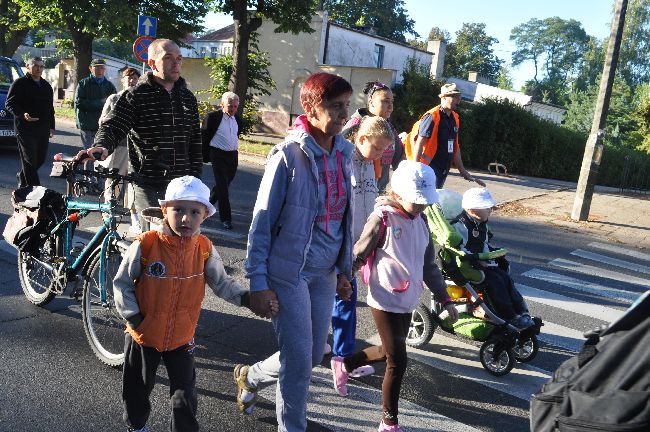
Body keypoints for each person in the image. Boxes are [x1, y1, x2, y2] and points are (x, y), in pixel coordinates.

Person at [233, 72, 355, 431]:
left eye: (346, 106)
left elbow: (345, 218)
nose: (342, 114)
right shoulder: (287, 156)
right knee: (300, 362)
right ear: (310, 107)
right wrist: (258, 282)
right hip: (289, 273)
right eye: (334, 107)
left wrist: (344, 270)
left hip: (325, 272)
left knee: (314, 354)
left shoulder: (344, 153)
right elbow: (261, 222)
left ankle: (252, 377)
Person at [113, 175, 272, 432]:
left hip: (181, 337)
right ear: (165, 210)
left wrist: (247, 299)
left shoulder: (204, 249)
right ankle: (137, 426)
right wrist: (136, 319)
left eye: (194, 212)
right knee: (137, 390)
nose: (186, 218)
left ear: (205, 215)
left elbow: (222, 283)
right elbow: (122, 284)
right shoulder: (147, 244)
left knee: (185, 396)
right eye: (179, 210)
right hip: (143, 335)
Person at [330, 160, 459, 432]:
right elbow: (359, 253)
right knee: (398, 361)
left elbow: (428, 266)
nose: (422, 205)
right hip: (385, 297)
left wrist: (445, 298)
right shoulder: (383, 218)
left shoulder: (421, 221)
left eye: (425, 201)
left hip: (409, 298)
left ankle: (346, 363)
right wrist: (344, 279)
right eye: (417, 201)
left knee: (389, 351)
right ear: (398, 194)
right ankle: (389, 422)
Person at [85, 39, 203, 230]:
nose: (176, 63)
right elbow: (113, 125)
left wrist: (196, 178)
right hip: (149, 182)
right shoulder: (136, 95)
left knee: (183, 244)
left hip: (182, 185)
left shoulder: (187, 98)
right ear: (152, 63)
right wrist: (102, 145)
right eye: (168, 58)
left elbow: (195, 141)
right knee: (156, 240)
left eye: (179, 59)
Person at [331, 116, 394, 379]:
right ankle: (343, 358)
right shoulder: (343, 161)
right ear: (361, 139)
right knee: (345, 298)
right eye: (377, 148)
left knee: (340, 298)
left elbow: (367, 197)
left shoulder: (369, 164)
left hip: (359, 243)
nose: (379, 154)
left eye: (384, 150)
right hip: (341, 243)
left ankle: (333, 347)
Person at [453, 187, 533, 330]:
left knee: (505, 277)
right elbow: (459, 248)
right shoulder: (460, 226)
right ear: (472, 209)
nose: (490, 210)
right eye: (486, 207)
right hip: (469, 265)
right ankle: (508, 315)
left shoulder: (482, 225)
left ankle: (521, 311)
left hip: (483, 263)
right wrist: (476, 259)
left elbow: (484, 244)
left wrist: (490, 258)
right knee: (496, 282)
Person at [405, 83, 485, 189]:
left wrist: (463, 171)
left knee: (435, 198)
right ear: (443, 97)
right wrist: (415, 169)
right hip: (428, 168)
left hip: (443, 168)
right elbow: (420, 142)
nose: (458, 100)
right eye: (454, 97)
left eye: (459, 97)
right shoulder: (432, 116)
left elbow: (455, 147)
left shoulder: (455, 118)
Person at [97, 67, 141, 234]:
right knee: (114, 179)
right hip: (119, 147)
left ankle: (134, 217)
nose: (132, 80)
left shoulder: (140, 100)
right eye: (128, 78)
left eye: (135, 78)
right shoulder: (114, 98)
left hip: (136, 148)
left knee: (134, 183)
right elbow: (103, 122)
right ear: (122, 80)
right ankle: (109, 211)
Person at [342, 81, 403, 191]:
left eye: (392, 102)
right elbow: (339, 157)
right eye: (385, 101)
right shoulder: (355, 125)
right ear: (371, 102)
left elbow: (400, 159)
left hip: (378, 192)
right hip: (354, 192)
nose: (390, 107)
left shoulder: (389, 128)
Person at [5, 56, 55, 187]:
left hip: (43, 129)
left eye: (41, 66)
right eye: (35, 66)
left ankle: (22, 175)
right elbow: (9, 104)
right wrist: (23, 114)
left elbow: (50, 108)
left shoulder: (46, 86)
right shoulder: (20, 83)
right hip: (25, 129)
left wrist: (52, 126)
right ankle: (35, 190)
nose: (39, 69)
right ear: (28, 66)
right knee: (30, 161)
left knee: (40, 159)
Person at [200, 91, 243, 230]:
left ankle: (207, 205)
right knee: (223, 188)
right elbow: (204, 136)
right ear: (222, 104)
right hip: (217, 154)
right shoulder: (213, 117)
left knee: (223, 185)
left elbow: (236, 134)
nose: (233, 109)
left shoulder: (238, 119)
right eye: (230, 106)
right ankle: (226, 219)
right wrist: (204, 155)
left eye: (236, 107)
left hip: (232, 156)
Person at [74, 58, 117, 187]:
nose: (100, 70)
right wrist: (100, 103)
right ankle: (89, 181)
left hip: (103, 126)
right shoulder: (84, 84)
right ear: (91, 69)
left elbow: (115, 105)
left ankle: (100, 182)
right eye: (97, 67)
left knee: (103, 155)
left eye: (102, 67)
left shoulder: (109, 86)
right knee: (90, 154)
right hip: (87, 124)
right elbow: (79, 103)